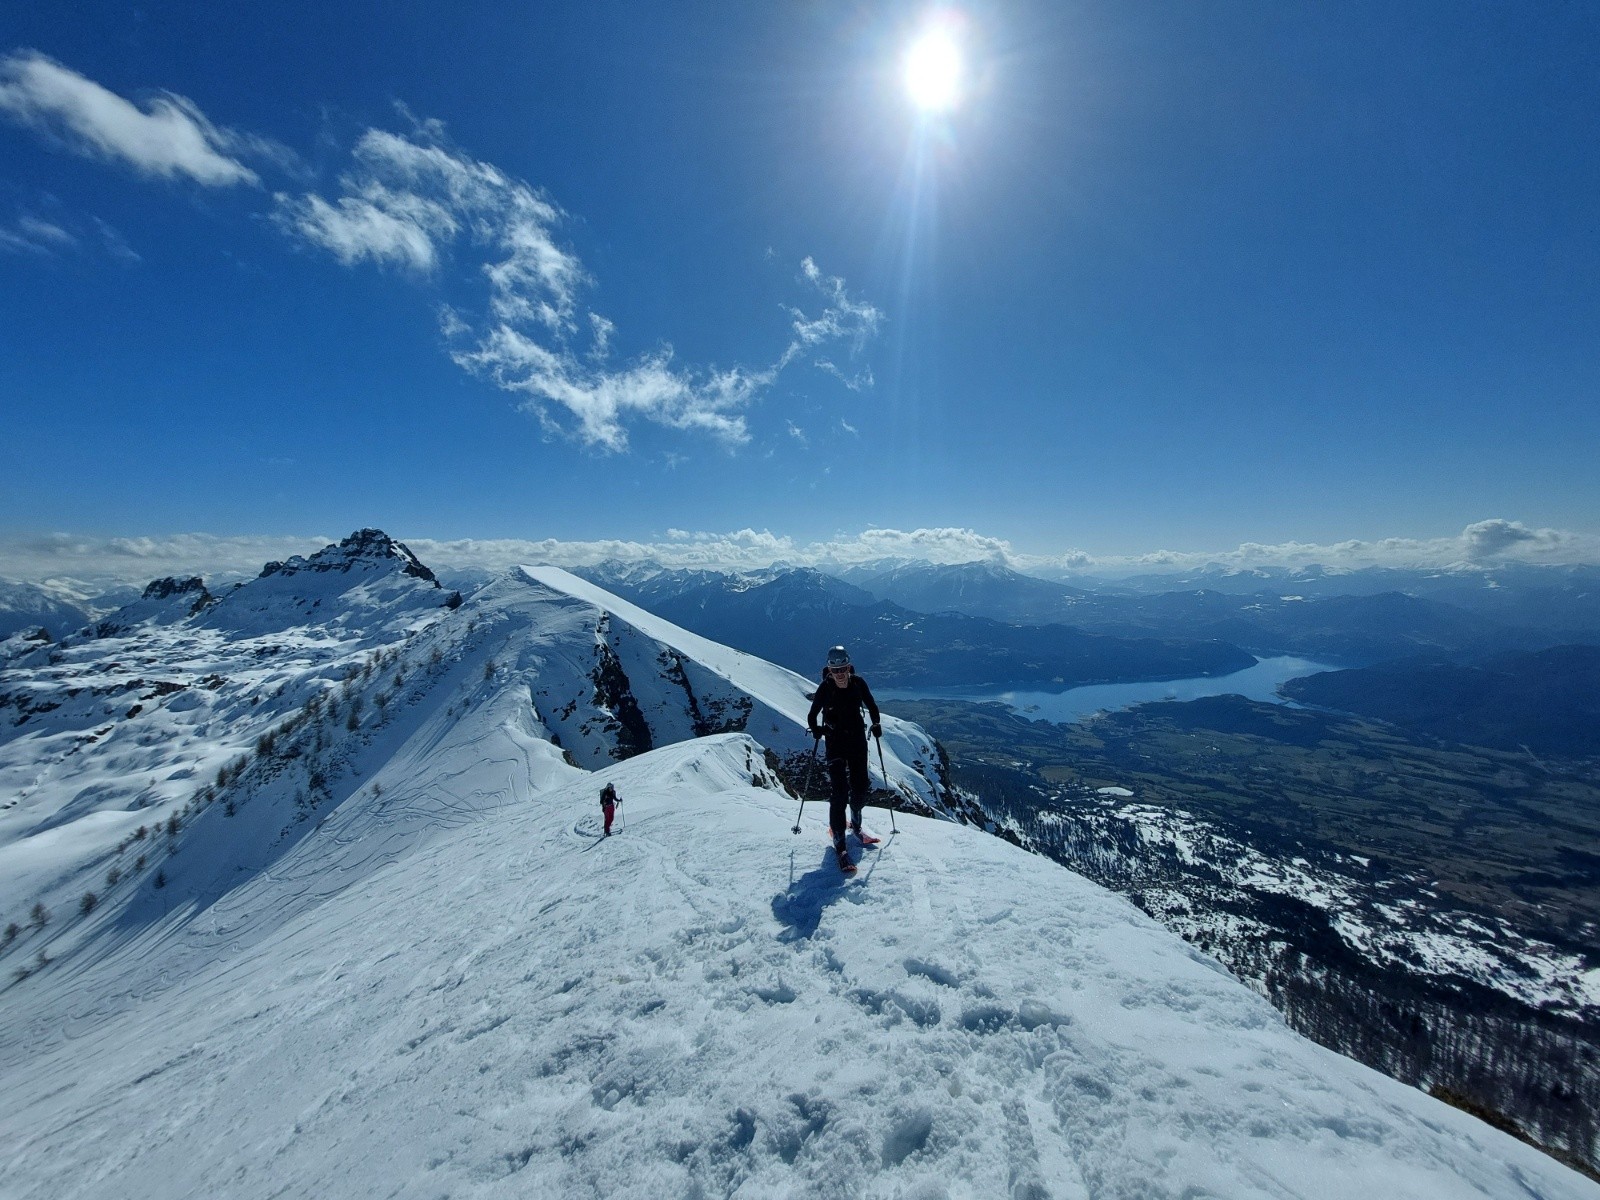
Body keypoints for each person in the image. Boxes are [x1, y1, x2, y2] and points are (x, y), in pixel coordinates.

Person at [806, 645, 882, 870]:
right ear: (829, 669)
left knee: (860, 787)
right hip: (836, 743)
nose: (839, 673)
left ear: (848, 667)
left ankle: (856, 823)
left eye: (842, 668)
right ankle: (839, 837)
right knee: (839, 791)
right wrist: (817, 730)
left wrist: (876, 724)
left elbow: (872, 706)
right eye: (835, 669)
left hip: (858, 741)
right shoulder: (825, 688)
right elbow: (812, 715)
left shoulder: (858, 684)